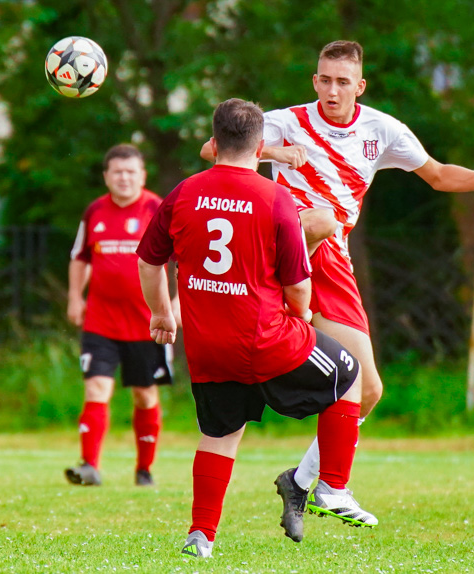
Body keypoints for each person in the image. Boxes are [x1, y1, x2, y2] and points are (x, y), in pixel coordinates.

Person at [200, 40, 474, 525]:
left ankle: (302, 480)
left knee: (368, 388)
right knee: (322, 373)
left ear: (360, 85)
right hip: (287, 249)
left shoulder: (382, 129)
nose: (332, 90)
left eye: (342, 82)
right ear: (314, 81)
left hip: (334, 257)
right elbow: (213, 150)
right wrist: (275, 151)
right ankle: (329, 486)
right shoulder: (286, 120)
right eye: (324, 80)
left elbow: (437, 175)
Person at [137, 98, 368, 557]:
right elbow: (299, 286)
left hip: (207, 347)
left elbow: (148, 261)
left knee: (220, 434)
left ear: (215, 141)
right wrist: (301, 317)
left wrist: (163, 313)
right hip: (267, 340)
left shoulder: (182, 193)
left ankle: (200, 536)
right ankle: (333, 488)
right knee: (352, 374)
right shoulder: (276, 198)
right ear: (262, 145)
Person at [65, 144, 175, 487]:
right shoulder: (95, 211)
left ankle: (144, 470)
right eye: (117, 172)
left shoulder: (159, 209)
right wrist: (74, 297)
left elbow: (187, 259)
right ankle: (89, 466)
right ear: (106, 176)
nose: (124, 178)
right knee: (96, 387)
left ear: (142, 176)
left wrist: (176, 305)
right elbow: (80, 257)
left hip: (148, 322)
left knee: (145, 394)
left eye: (131, 172)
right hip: (100, 320)